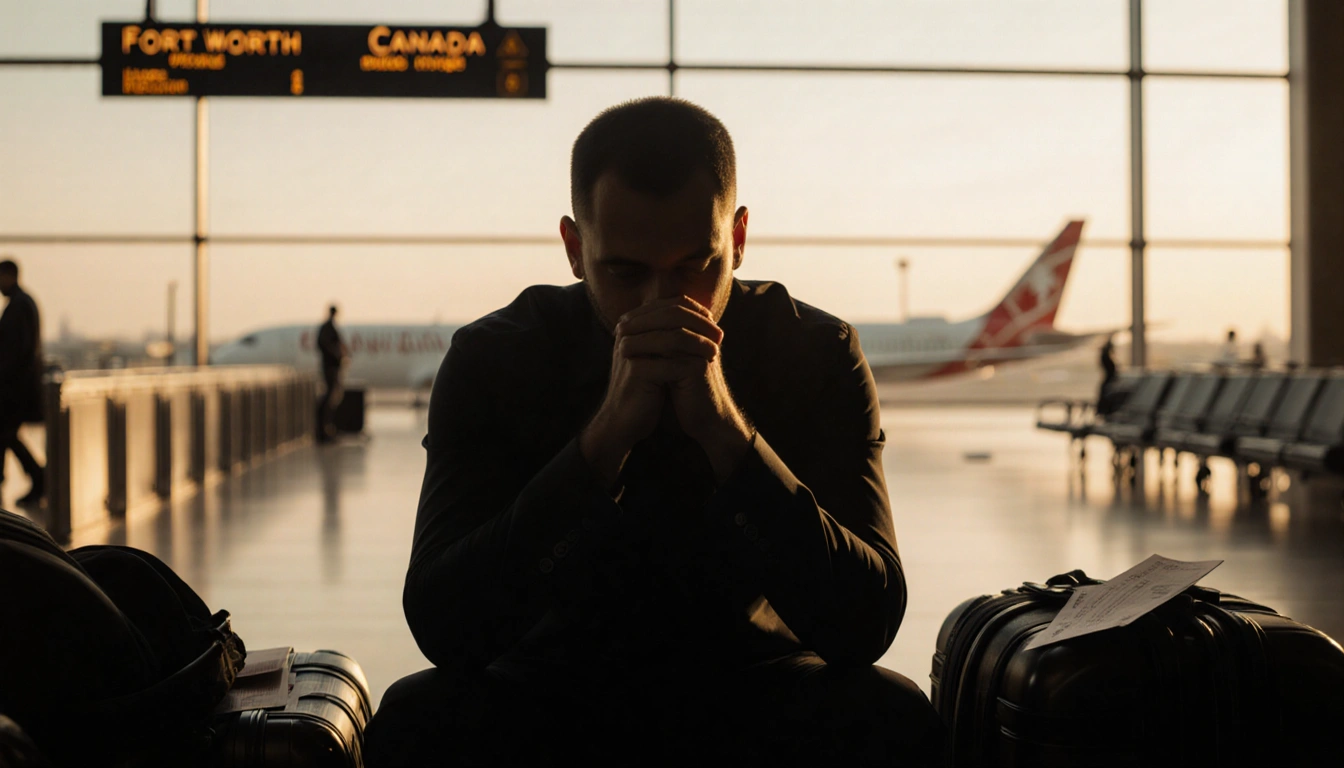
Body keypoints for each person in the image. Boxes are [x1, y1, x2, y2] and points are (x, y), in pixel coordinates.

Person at [365, 99, 943, 767]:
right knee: (417, 719)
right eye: (626, 272)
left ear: (740, 240)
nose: (662, 303)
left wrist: (730, 435)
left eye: (696, 264)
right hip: (549, 685)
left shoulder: (813, 349)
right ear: (575, 250)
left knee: (893, 716)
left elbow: (866, 623)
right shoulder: (496, 358)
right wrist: (601, 444)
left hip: (756, 682)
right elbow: (445, 626)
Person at [0, 259, 45, 506]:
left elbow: (15, 352)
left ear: (9, 275)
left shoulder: (17, 307)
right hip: (19, 387)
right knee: (7, 435)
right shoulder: (23, 303)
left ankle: (39, 479)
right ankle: (38, 479)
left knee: (6, 435)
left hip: (14, 389)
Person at [315, 305, 347, 443]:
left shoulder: (329, 328)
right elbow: (324, 345)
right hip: (331, 368)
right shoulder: (328, 328)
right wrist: (336, 355)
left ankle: (328, 428)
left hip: (332, 367)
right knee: (330, 397)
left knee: (332, 397)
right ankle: (324, 428)